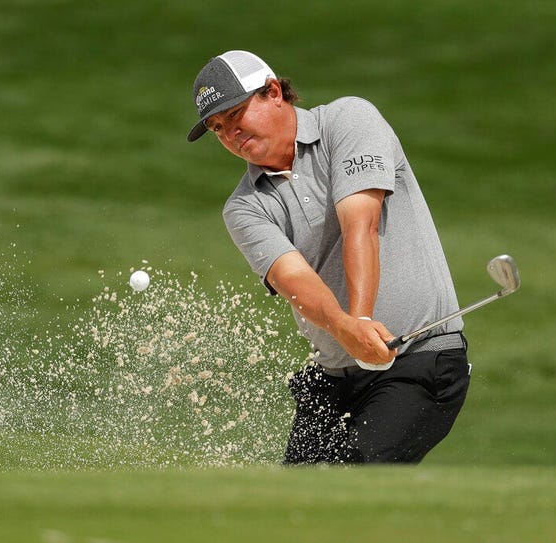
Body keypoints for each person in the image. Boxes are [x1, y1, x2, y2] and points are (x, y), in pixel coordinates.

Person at [186, 50, 471, 464]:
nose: (230, 133)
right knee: (298, 498)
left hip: (419, 361)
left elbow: (361, 225)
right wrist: (346, 329)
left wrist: (361, 320)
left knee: (349, 479)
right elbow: (294, 280)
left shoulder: (348, 120)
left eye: (235, 114)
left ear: (274, 92)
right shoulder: (244, 207)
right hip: (332, 379)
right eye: (217, 128)